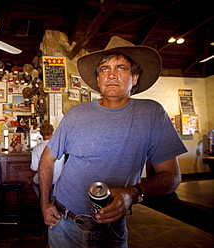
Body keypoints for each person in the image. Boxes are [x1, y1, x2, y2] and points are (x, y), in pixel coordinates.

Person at [38, 36, 188, 247]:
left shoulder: (151, 113)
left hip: (110, 229)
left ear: (134, 78)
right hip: (63, 223)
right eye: (104, 69)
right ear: (98, 79)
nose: (111, 75)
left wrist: (133, 194)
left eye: (121, 68)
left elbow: (172, 177)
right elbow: (47, 159)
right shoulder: (76, 113)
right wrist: (45, 203)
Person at [30, 121, 64, 199]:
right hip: (58, 182)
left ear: (41, 134)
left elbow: (34, 168)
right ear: (52, 133)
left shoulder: (36, 148)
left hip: (42, 182)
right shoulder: (60, 146)